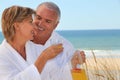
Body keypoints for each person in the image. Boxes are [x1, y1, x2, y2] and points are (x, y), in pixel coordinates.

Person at [0, 5, 63, 80]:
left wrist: (71, 63)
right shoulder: (2, 56)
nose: (35, 27)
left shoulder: (35, 48)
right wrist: (42, 59)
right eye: (31, 22)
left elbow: (53, 70)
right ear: (17, 26)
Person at [26, 1, 86, 80]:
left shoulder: (66, 47)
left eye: (47, 21)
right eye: (39, 18)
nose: (40, 23)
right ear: (33, 17)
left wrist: (72, 64)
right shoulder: (21, 41)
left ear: (55, 25)